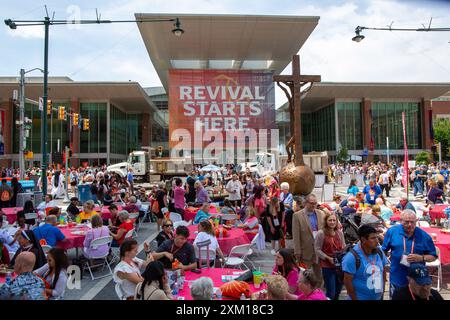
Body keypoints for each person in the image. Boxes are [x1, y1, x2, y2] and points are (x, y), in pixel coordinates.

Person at [382, 209, 437, 296]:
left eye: (412, 222)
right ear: (400, 221)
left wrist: (421, 258)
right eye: (406, 222)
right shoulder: (392, 232)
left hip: (417, 282)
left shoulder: (424, 236)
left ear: (416, 221)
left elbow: (433, 256)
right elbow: (383, 251)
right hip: (397, 278)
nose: (410, 225)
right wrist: (383, 267)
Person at [342, 225, 389, 300]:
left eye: (377, 237)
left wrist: (382, 291)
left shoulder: (379, 252)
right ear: (363, 240)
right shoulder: (352, 257)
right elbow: (347, 281)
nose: (377, 241)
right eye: (373, 238)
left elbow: (383, 271)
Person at [292, 194, 325, 284]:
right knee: (305, 276)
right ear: (305, 203)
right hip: (305, 251)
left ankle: (317, 294)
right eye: (311, 203)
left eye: (315, 203)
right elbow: (296, 235)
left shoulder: (321, 213)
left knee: (319, 276)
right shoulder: (297, 215)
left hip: (318, 251)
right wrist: (297, 251)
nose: (314, 205)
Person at [314, 212, 345, 300]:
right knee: (331, 292)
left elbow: (343, 246)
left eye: (334, 220)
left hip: (339, 265)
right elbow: (317, 249)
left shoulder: (339, 233)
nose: (332, 222)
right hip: (327, 265)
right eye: (330, 220)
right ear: (326, 221)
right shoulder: (321, 233)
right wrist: (327, 258)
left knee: (338, 291)